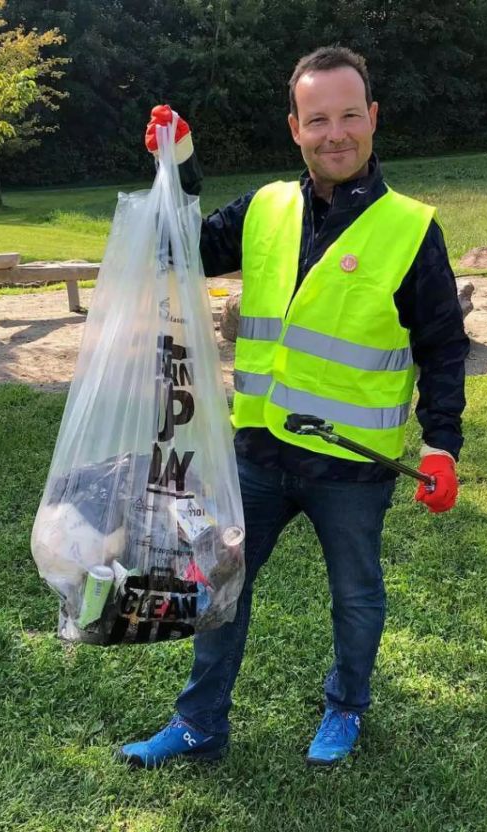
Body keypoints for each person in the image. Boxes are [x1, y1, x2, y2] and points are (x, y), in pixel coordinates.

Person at [118, 45, 469, 768]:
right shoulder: (264, 209)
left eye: (348, 116)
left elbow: (443, 346)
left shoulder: (410, 229)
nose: (333, 133)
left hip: (353, 466)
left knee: (356, 596)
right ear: (295, 127)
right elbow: (180, 245)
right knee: (220, 586)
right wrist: (178, 165)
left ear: (372, 119)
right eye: (317, 120)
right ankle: (199, 725)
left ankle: (345, 707)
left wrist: (441, 444)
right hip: (259, 452)